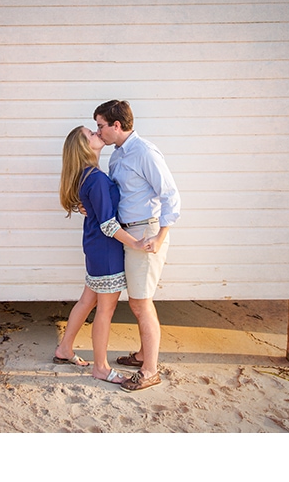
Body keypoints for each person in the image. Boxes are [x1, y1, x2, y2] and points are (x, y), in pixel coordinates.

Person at [93, 99, 181, 392]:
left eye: (101, 125)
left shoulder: (145, 152)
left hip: (145, 233)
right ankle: (143, 355)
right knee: (136, 301)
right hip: (126, 234)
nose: (99, 131)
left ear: (116, 125)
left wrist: (159, 236)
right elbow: (120, 195)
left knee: (141, 303)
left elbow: (171, 196)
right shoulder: (117, 156)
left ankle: (150, 371)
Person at [54, 126, 146, 384]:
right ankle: (101, 368)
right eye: (91, 134)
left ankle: (64, 349)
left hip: (96, 247)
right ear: (83, 147)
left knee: (87, 300)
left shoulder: (87, 175)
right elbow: (108, 224)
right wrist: (136, 243)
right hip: (106, 250)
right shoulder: (94, 177)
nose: (97, 133)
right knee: (106, 310)